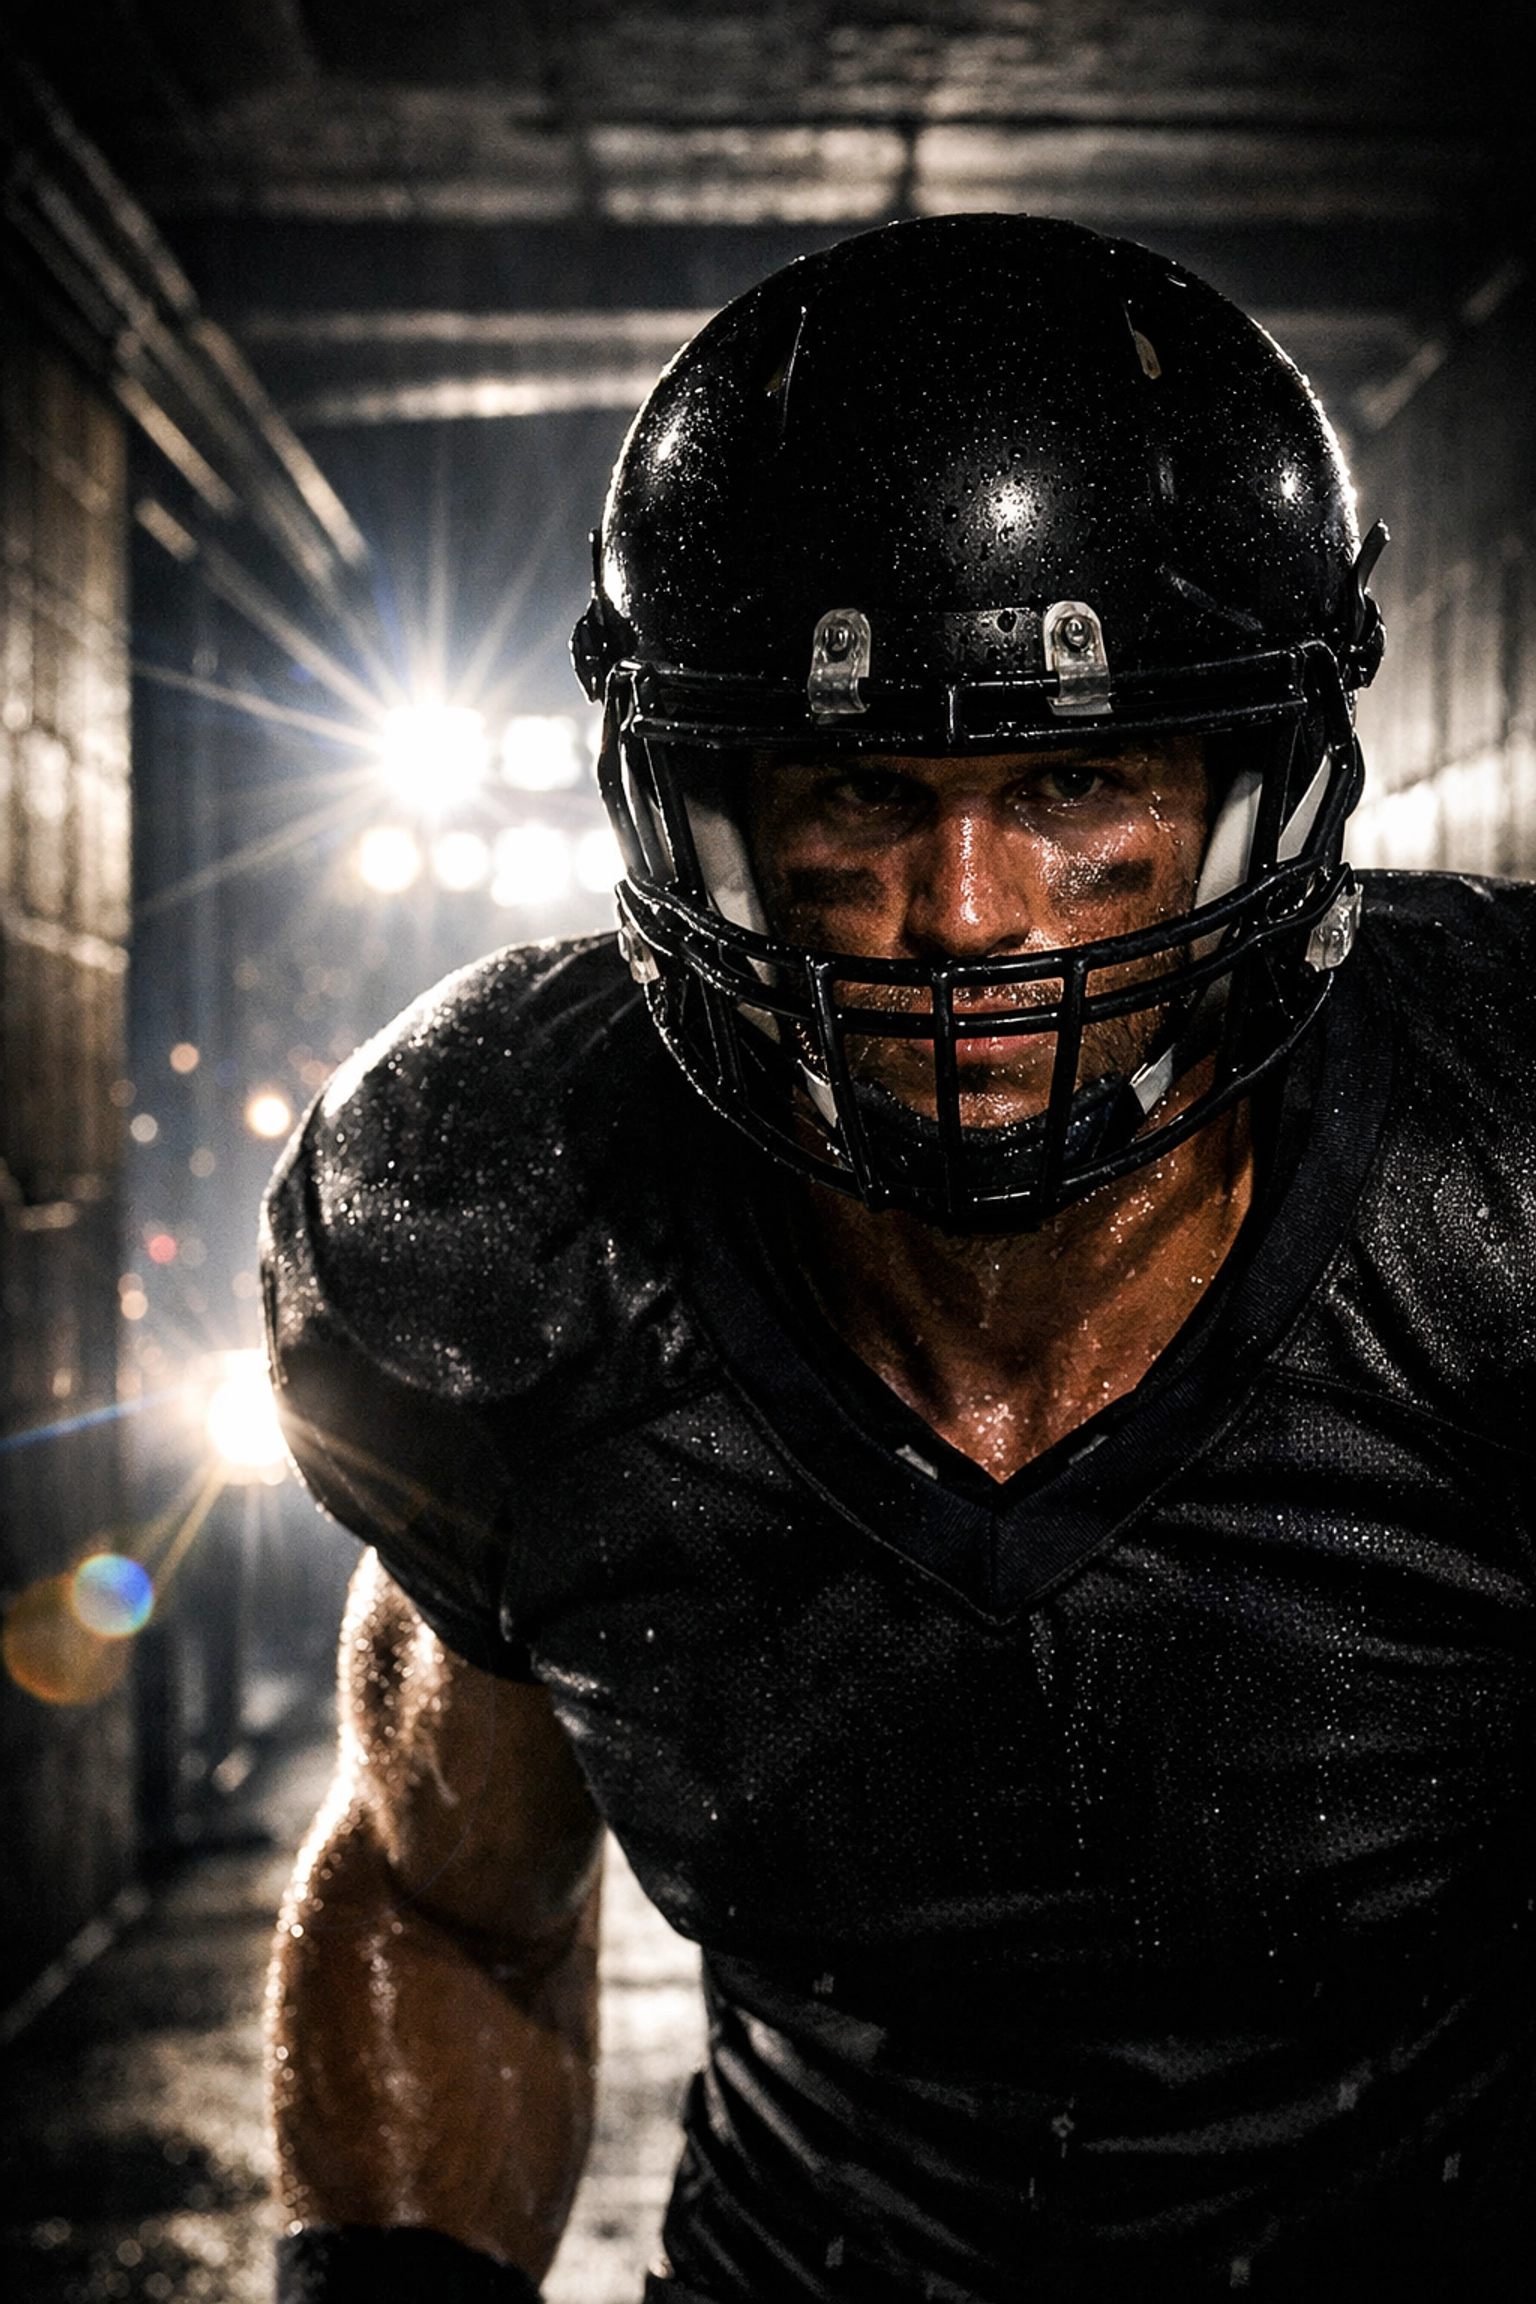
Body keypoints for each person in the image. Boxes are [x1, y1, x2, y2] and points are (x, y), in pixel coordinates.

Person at [262, 216, 1536, 2303]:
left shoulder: (1492, 1198)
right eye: (858, 783)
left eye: (1071, 778)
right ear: (706, 807)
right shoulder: (518, 1217)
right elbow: (446, 1901)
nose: (961, 913)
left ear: (1247, 794)